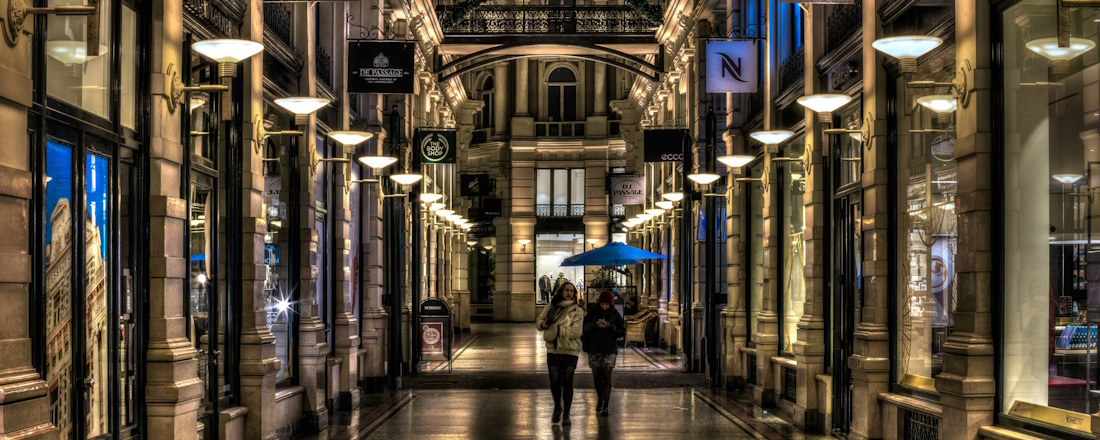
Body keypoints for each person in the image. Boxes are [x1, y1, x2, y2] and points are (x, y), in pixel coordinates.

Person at [536, 282, 585, 426]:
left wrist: (557, 330)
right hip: (554, 349)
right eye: (567, 290)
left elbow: (577, 331)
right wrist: (542, 325)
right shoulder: (551, 307)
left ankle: (567, 414)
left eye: (572, 291)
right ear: (561, 291)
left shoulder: (577, 310)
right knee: (555, 382)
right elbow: (539, 320)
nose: (570, 293)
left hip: (571, 350)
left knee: (568, 382)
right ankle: (558, 406)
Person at [582, 290, 625, 416]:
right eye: (603, 304)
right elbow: (585, 328)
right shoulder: (592, 313)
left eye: (607, 304)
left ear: (611, 304)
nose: (605, 306)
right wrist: (595, 326)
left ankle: (606, 404)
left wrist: (609, 326)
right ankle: (600, 398)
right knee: (597, 376)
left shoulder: (615, 315)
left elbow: (621, 332)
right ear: (599, 302)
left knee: (606, 375)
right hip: (594, 348)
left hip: (609, 349)